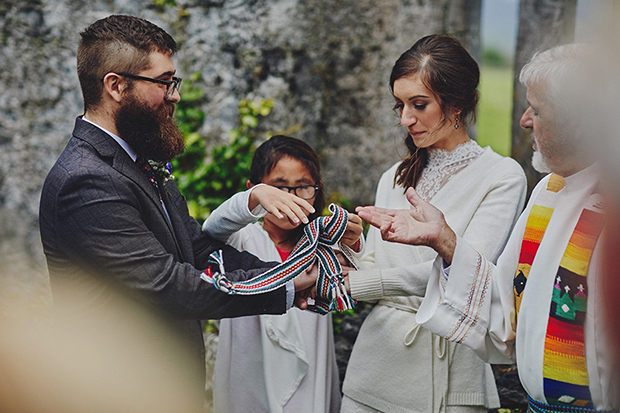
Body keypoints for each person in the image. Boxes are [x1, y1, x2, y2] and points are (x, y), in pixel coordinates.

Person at [38, 15, 317, 409]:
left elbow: (198, 249)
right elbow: (168, 286)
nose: (175, 95)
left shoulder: (137, 160)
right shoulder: (85, 180)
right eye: (164, 82)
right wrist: (285, 287)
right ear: (116, 86)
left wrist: (292, 272)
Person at [356, 44, 620, 411]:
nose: (524, 120)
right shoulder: (549, 190)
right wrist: (445, 241)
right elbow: (502, 301)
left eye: (537, 109)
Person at [340, 34, 527, 413]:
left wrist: (354, 284)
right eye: (400, 105)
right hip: (375, 364)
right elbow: (374, 268)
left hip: (450, 364)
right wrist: (348, 250)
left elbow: (465, 275)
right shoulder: (395, 175)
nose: (406, 119)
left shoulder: (502, 176)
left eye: (419, 104)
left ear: (455, 103)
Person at [203, 135, 362, 412]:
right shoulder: (241, 239)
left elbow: (359, 272)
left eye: (303, 188)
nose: (290, 199)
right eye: (278, 188)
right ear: (254, 188)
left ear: (317, 189)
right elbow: (212, 229)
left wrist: (354, 240)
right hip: (247, 371)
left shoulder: (322, 245)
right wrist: (251, 201)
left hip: (310, 374)